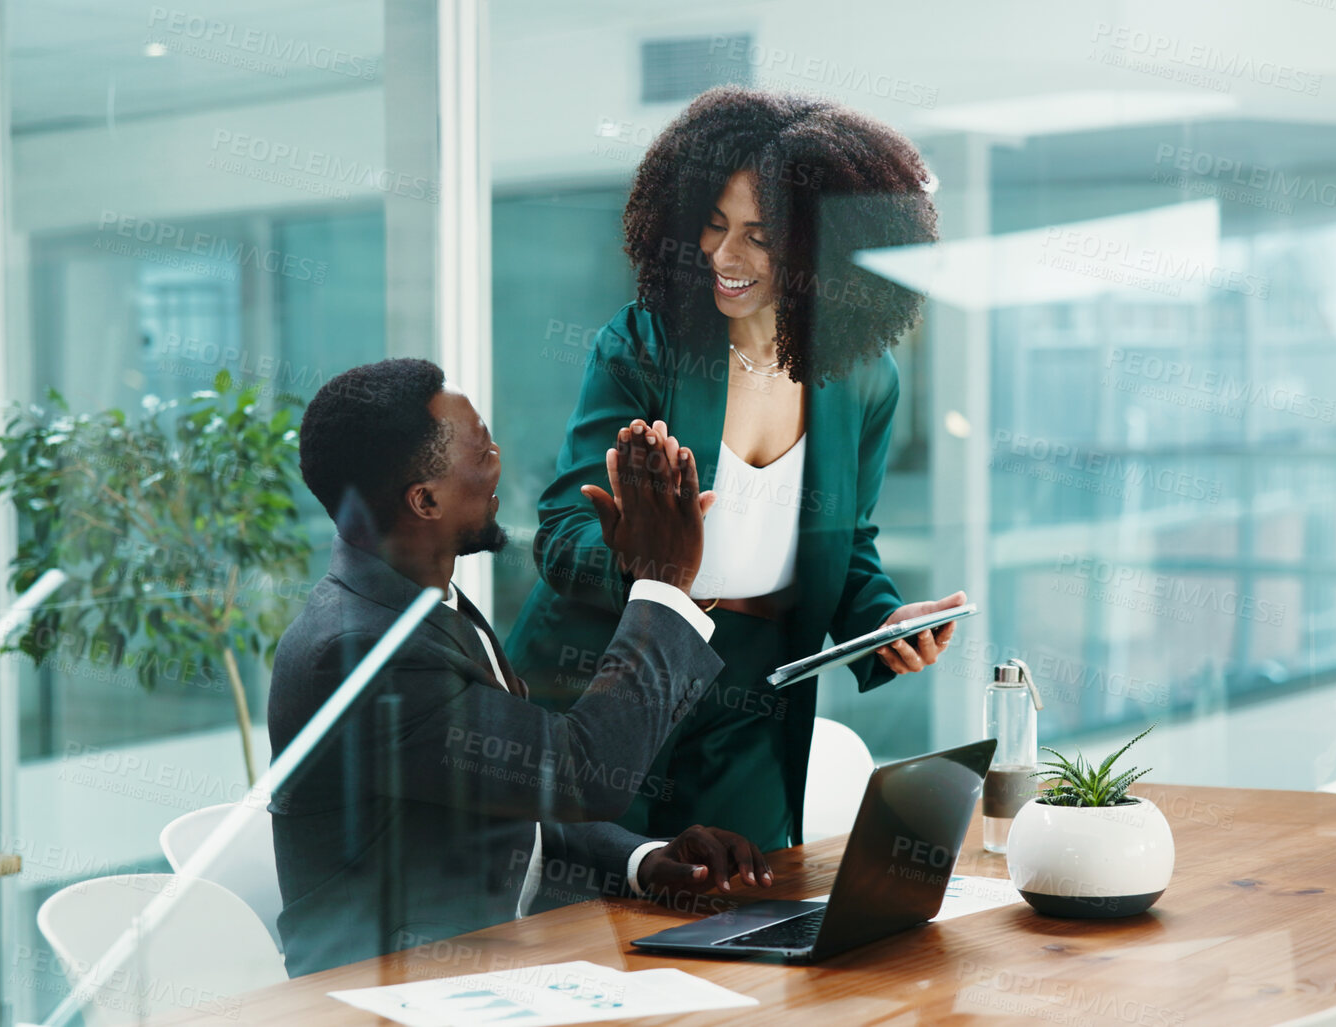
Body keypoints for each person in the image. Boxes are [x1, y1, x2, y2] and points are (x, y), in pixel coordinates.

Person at [504, 86, 966, 854]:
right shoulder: (644, 346)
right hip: (612, 680)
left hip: (756, 696)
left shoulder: (864, 378)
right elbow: (560, 531)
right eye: (713, 225)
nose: (724, 256)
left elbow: (847, 545)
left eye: (759, 236)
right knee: (584, 923)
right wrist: (644, 568)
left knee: (743, 921)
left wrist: (879, 625)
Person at [267, 358, 771, 977]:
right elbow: (587, 772)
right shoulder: (354, 653)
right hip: (386, 992)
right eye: (481, 450)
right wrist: (662, 583)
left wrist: (647, 861)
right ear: (424, 500)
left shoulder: (420, 605)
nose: (498, 458)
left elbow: (518, 791)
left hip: (494, 960)